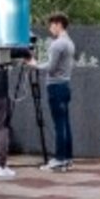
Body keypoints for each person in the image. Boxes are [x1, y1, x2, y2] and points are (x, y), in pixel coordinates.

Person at [40, 12, 76, 172]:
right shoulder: (70, 43)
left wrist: (34, 64)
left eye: (51, 25)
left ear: (58, 24)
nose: (50, 29)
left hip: (55, 86)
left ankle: (59, 158)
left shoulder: (58, 44)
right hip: (65, 85)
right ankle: (67, 157)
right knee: (65, 123)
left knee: (59, 124)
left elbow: (51, 67)